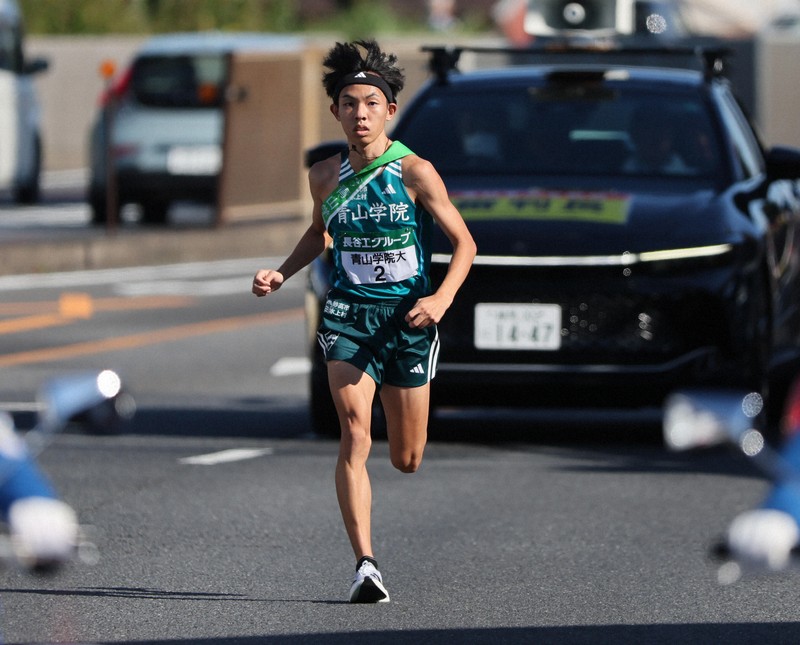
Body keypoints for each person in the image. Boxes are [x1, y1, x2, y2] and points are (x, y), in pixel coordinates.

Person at [252, 39, 476, 603]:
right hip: (349, 316)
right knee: (355, 432)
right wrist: (281, 273)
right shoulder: (324, 175)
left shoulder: (415, 172)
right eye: (350, 103)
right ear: (336, 112)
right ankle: (365, 565)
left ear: (389, 111)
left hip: (409, 320)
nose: (361, 113)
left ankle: (383, 509)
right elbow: (318, 233)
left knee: (406, 457)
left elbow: (465, 242)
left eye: (372, 103)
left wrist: (442, 299)